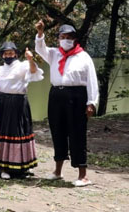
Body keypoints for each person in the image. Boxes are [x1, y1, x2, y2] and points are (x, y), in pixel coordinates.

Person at [35, 20, 98, 187]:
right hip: (57, 94)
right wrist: (41, 33)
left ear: (74, 39)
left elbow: (92, 80)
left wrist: (91, 102)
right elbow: (40, 49)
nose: (66, 40)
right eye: (62, 37)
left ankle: (83, 175)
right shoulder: (54, 54)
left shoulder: (83, 56)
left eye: (69, 37)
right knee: (58, 131)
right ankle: (57, 171)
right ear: (58, 39)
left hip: (77, 95)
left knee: (77, 133)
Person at [0, 42, 42, 180]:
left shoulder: (23, 65)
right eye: (5, 53)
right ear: (2, 55)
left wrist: (30, 59)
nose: (8, 55)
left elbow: (34, 72)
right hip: (2, 103)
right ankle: (3, 166)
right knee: (4, 132)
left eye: (11, 53)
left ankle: (22, 166)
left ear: (15, 54)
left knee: (20, 132)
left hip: (19, 102)